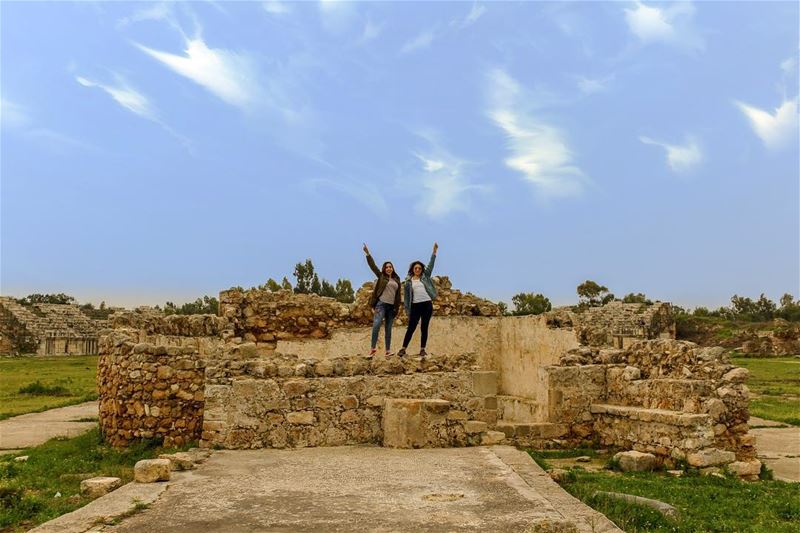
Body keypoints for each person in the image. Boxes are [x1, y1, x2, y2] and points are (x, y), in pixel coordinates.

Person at [398, 242, 438, 358]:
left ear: (421, 270)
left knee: (424, 327)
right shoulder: (408, 282)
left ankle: (422, 349)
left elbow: (431, 265)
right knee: (411, 327)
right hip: (415, 306)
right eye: (415, 268)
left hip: (427, 305)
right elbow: (406, 298)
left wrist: (434, 253)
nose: (417, 269)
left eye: (419, 268)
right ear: (412, 269)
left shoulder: (425, 277)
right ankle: (403, 349)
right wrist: (407, 310)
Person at [363, 243, 402, 357]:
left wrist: (397, 307)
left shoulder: (396, 280)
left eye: (390, 267)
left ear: (393, 268)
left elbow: (398, 296)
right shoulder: (381, 277)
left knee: (388, 329)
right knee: (376, 324)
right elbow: (373, 266)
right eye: (387, 267)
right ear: (384, 269)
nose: (389, 268)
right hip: (381, 305)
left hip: (391, 307)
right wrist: (368, 254)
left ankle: (388, 351)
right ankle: (373, 348)